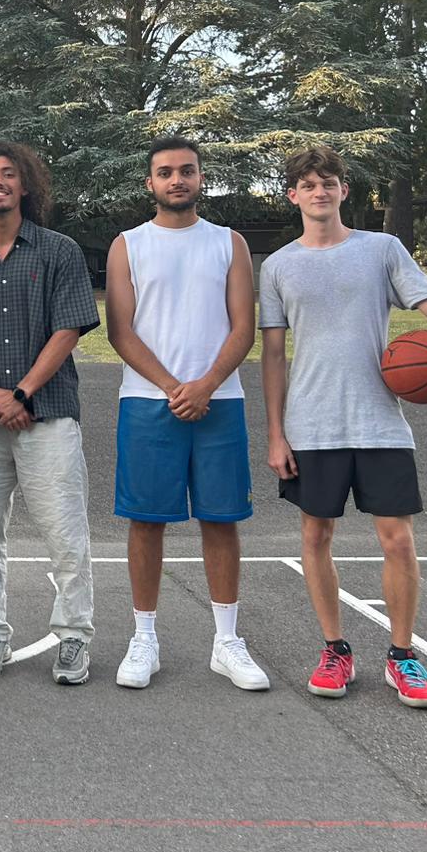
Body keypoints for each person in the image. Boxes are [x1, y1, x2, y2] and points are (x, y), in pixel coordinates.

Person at [261, 144, 427, 708]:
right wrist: (275, 433)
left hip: (379, 421)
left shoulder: (381, 250)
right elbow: (272, 356)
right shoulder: (277, 266)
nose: (320, 191)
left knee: (397, 539)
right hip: (312, 424)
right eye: (308, 184)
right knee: (315, 537)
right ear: (293, 195)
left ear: (344, 191)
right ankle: (335, 649)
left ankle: (402, 655)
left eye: (329, 182)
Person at [105, 136, 269, 693]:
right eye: (165, 172)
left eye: (186, 170)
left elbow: (243, 326)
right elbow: (121, 331)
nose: (177, 179)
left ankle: (227, 641)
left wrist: (206, 384)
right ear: (149, 182)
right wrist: (176, 387)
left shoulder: (229, 243)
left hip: (219, 401)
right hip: (148, 401)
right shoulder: (128, 245)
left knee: (221, 519)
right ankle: (144, 638)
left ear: (201, 177)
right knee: (146, 520)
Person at [0, 142, 100, 685]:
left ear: (25, 186)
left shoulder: (59, 250)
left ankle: (74, 634)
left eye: (8, 174)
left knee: (64, 530)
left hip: (49, 414)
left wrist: (20, 393)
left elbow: (68, 328)